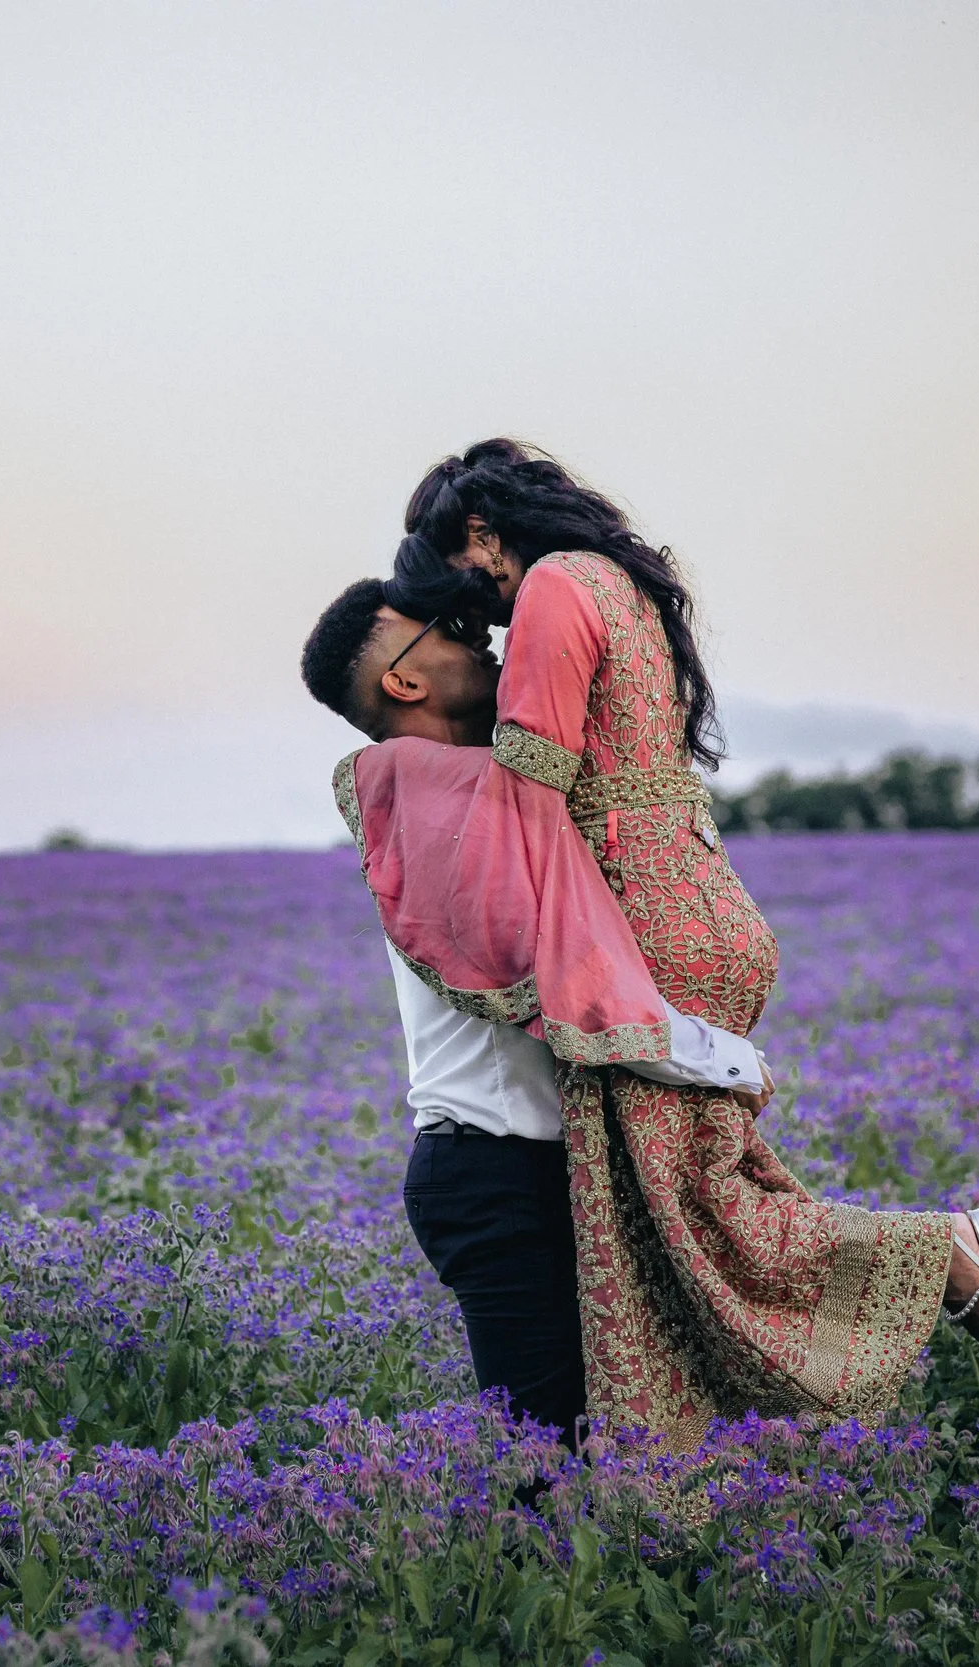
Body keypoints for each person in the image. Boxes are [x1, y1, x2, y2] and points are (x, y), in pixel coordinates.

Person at [386, 441, 979, 1447]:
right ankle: (692, 1477)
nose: (490, 631)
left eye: (471, 599)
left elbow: (529, 783)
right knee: (696, 1196)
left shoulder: (551, 584)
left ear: (478, 537)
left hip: (636, 920)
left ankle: (932, 1252)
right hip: (702, 897)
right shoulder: (623, 582)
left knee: (680, 1227)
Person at [299, 579, 773, 1437]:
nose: (480, 633)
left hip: (545, 1164)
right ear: (404, 683)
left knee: (636, 1445)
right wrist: (729, 1058)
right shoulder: (428, 794)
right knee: (546, 1470)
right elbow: (571, 986)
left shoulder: (483, 790)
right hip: (499, 1173)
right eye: (447, 627)